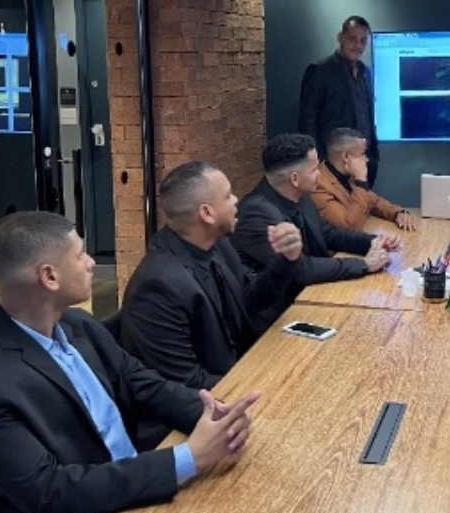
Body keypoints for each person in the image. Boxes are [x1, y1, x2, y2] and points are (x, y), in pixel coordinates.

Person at [0, 212, 260, 513]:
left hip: (132, 501)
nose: (92, 262)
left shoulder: (78, 325)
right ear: (50, 276)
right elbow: (50, 493)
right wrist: (189, 457)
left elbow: (144, 385)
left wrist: (214, 415)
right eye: (80, 254)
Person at [120, 161, 304, 392]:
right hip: (207, 402)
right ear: (207, 213)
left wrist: (287, 259)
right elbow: (188, 383)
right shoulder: (157, 287)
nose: (236, 200)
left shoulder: (218, 246)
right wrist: (266, 385)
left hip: (241, 371)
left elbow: (252, 299)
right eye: (227, 196)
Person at [232, 133, 400, 324]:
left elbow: (329, 234)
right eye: (314, 170)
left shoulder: (300, 196)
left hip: (311, 296)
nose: (320, 174)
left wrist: (374, 241)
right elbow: (299, 269)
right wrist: (365, 264)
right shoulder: (256, 213)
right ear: (295, 178)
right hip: (279, 316)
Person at [299, 15, 380, 187]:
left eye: (363, 41)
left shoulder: (366, 73)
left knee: (362, 203)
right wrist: (319, 162)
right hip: (333, 166)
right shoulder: (320, 71)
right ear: (340, 37)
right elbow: (307, 121)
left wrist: (373, 157)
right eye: (352, 39)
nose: (358, 45)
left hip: (364, 163)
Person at [310, 128, 416, 232]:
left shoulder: (346, 176)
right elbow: (349, 228)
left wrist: (398, 213)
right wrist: (361, 182)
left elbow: (374, 201)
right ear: (346, 157)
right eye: (362, 154)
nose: (366, 159)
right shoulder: (318, 186)